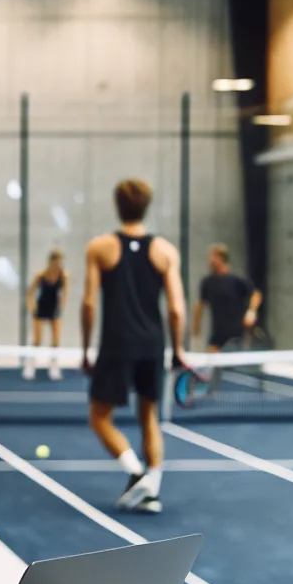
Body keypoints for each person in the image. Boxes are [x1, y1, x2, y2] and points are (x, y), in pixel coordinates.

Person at [80, 179, 190, 514]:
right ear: (146, 206)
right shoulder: (166, 252)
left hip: (116, 343)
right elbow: (176, 308)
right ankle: (151, 489)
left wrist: (86, 349)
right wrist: (179, 349)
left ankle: (136, 474)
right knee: (149, 416)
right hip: (152, 345)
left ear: (118, 206)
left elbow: (88, 304)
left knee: (99, 417)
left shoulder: (99, 248)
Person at [194, 243, 262, 350]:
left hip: (237, 335)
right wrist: (196, 327)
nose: (210, 260)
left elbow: (255, 294)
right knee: (212, 362)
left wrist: (251, 311)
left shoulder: (236, 281)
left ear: (221, 258)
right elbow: (200, 304)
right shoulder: (207, 283)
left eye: (213, 257)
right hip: (217, 334)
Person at [23, 249, 69, 380]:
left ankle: (54, 366)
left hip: (54, 309)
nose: (58, 264)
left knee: (56, 340)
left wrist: (61, 307)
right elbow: (30, 292)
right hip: (41, 308)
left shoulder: (63, 276)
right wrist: (31, 306)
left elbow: (65, 293)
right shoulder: (41, 275)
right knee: (37, 340)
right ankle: (30, 365)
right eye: (56, 261)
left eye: (60, 262)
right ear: (50, 262)